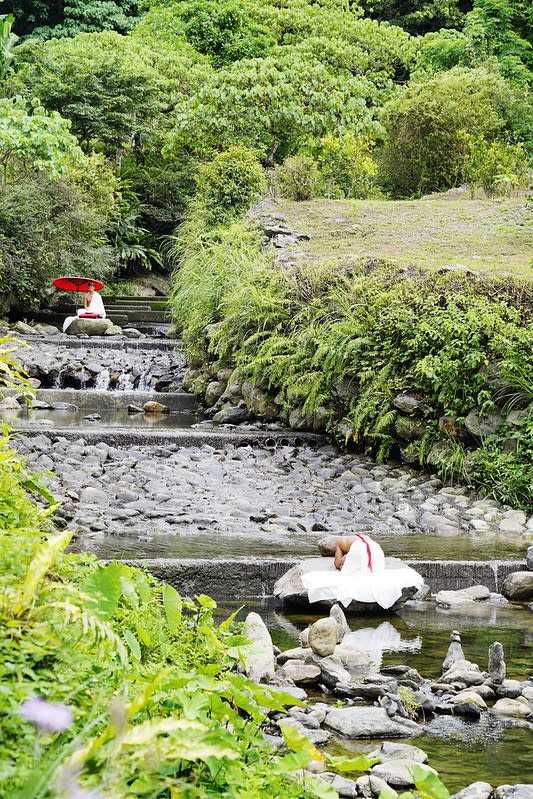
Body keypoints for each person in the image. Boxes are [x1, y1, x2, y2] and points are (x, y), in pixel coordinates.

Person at [301, 533, 424, 610]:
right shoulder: (358, 537)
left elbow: (337, 563)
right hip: (376, 548)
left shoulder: (339, 543)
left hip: (359, 550)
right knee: (371, 573)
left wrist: (343, 560)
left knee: (347, 570)